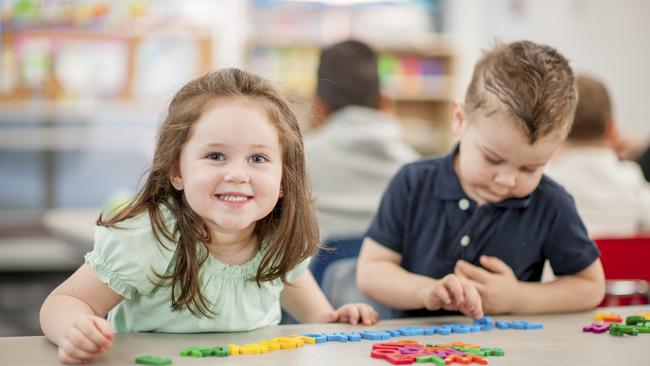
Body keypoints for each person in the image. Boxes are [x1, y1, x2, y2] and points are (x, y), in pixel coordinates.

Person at [39, 68, 378, 364]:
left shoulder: (277, 240)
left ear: (284, 181)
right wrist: (75, 328)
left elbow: (318, 320)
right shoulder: (149, 238)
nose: (237, 174)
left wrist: (339, 318)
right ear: (177, 171)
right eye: (216, 155)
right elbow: (64, 302)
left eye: (258, 159)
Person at [356, 41, 605, 319]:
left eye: (530, 168)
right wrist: (425, 291)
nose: (507, 180)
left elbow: (591, 286)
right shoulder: (412, 183)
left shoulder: (551, 203)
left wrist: (518, 298)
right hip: (410, 354)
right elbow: (371, 270)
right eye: (493, 159)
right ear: (460, 119)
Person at [305, 40, 419, 284]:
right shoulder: (415, 169)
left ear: (318, 106)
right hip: (392, 307)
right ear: (385, 102)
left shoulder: (295, 162)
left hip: (311, 307)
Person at [546, 75, 650, 237]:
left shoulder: (547, 178)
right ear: (612, 128)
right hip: (619, 262)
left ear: (558, 129)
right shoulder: (630, 178)